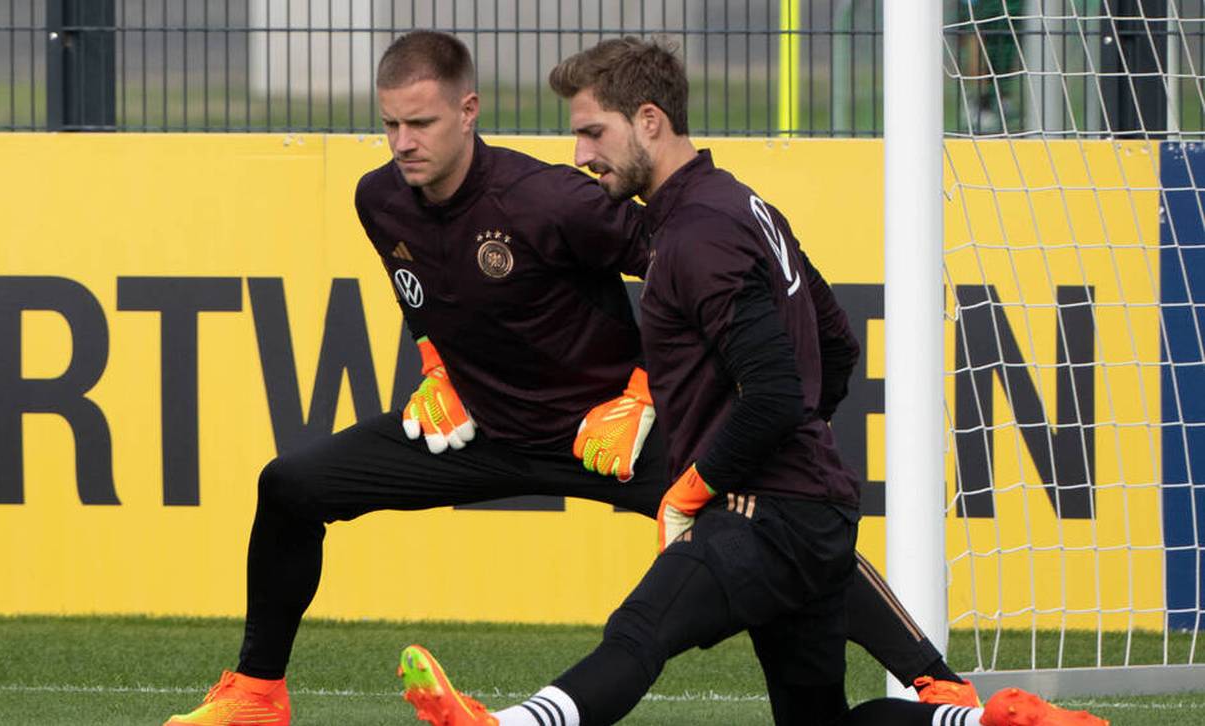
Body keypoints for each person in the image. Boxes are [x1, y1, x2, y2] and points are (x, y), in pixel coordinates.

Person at [166, 31, 971, 726]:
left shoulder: (554, 199)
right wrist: (436, 366)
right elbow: (425, 297)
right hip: (480, 430)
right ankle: (257, 693)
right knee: (291, 485)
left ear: (468, 111)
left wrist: (644, 393)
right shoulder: (379, 200)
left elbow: (678, 273)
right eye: (390, 125)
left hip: (606, 434)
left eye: (421, 122)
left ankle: (936, 682)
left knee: (775, 509)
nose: (403, 142)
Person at [396, 37, 1108, 726]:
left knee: (640, 630)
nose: (580, 156)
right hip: (806, 506)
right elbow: (834, 344)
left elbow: (770, 390)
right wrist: (796, 443)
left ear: (650, 119)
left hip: (756, 513)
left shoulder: (696, 234)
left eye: (592, 133)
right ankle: (987, 725)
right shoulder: (742, 204)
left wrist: (695, 486)